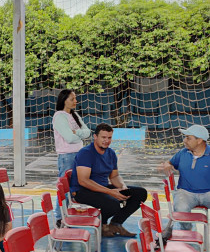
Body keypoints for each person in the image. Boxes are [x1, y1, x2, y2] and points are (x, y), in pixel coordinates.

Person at [69, 123, 147, 238]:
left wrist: (123, 187)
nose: (106, 141)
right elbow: (83, 181)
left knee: (140, 193)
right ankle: (103, 224)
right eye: (103, 137)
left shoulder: (111, 153)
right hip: (82, 191)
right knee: (113, 203)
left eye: (109, 138)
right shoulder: (86, 153)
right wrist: (110, 192)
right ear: (95, 137)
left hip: (102, 188)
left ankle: (115, 224)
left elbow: (114, 176)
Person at [158, 125, 210, 230]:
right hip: (185, 192)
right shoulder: (183, 153)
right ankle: (189, 232)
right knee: (180, 208)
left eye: (188, 138)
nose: (184, 140)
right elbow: (169, 163)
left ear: (199, 140)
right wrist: (166, 165)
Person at [52, 89, 90, 226]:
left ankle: (67, 213)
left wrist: (76, 132)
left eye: (75, 98)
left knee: (74, 186)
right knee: (64, 187)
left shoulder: (74, 115)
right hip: (67, 156)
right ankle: (59, 217)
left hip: (79, 154)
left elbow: (88, 132)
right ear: (64, 100)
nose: (75, 101)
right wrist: (79, 134)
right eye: (72, 99)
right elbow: (69, 138)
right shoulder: (59, 116)